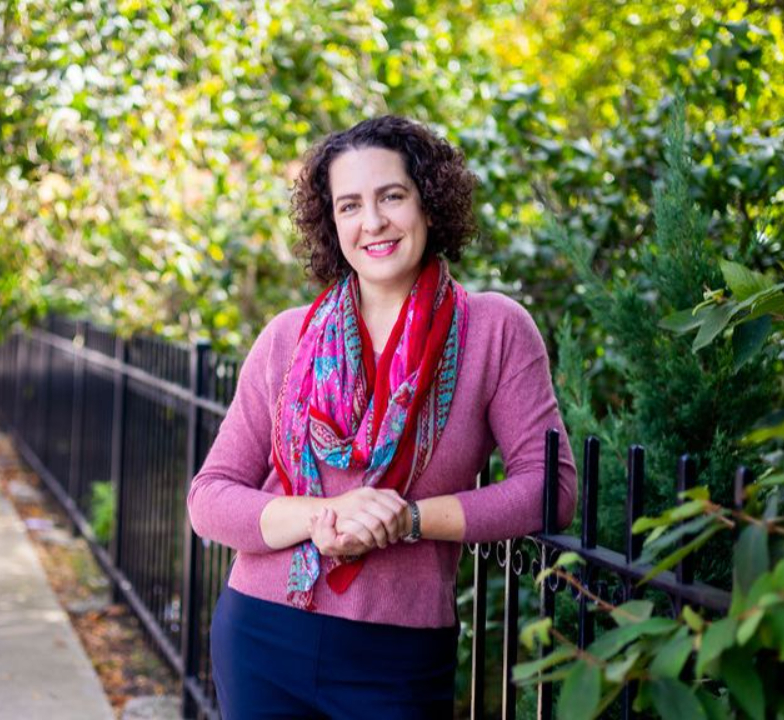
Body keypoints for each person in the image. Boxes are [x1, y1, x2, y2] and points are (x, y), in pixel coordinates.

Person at [186, 115, 577, 719]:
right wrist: (324, 515)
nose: (372, 222)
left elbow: (551, 489)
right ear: (332, 222)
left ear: (429, 204)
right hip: (261, 637)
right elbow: (209, 497)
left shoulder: (495, 330)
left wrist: (409, 519)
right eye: (349, 205)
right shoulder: (288, 337)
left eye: (391, 196)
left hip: (400, 657)